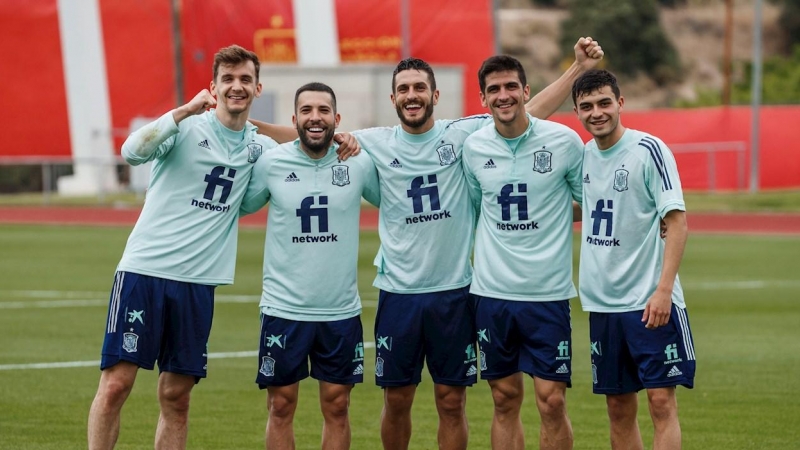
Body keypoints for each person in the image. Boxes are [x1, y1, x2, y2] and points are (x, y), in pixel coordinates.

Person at [250, 37, 603, 450]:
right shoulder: (373, 142)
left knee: (452, 401)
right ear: (393, 98)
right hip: (398, 294)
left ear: (435, 95)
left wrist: (577, 69)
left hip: (454, 292)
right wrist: (236, 120)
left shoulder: (464, 134)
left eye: (419, 88)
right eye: (404, 89)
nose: (412, 96)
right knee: (397, 400)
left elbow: (525, 111)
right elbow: (310, 133)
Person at [85, 45, 281, 449]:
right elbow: (131, 152)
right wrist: (184, 111)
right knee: (117, 384)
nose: (237, 87)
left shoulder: (260, 149)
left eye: (245, 79)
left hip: (198, 284)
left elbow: (250, 200)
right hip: (145, 272)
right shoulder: (187, 127)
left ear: (257, 88)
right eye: (228, 79)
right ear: (213, 86)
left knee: (177, 396)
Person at [239, 82, 381, 450]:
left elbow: (393, 203)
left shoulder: (359, 162)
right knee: (280, 405)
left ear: (336, 119)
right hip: (284, 308)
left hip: (340, 310)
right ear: (295, 119)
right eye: (306, 111)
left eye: (322, 111)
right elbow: (241, 205)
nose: (314, 118)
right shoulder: (271, 162)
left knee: (337, 406)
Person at [461, 55, 584, 450]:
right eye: (494, 89)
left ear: (526, 91)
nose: (503, 95)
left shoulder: (563, 141)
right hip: (492, 296)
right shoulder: (474, 147)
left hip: (547, 295)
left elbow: (591, 202)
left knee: (551, 401)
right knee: (504, 399)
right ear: (483, 99)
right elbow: (478, 207)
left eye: (511, 86)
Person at [571, 69, 696, 450]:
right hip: (603, 304)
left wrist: (662, 291)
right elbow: (585, 207)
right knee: (618, 406)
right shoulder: (582, 157)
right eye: (587, 106)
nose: (597, 112)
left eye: (604, 103)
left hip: (649, 301)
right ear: (577, 112)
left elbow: (676, 222)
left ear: (620, 103)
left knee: (661, 402)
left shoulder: (649, 150)